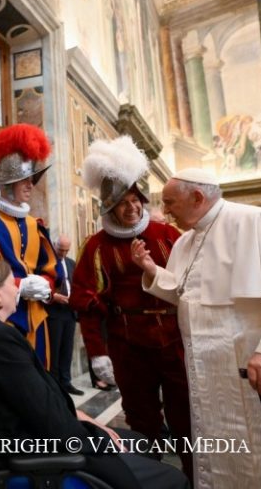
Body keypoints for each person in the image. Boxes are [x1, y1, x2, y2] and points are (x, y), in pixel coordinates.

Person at [131, 167, 261, 489]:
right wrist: (153, 270)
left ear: (197, 197)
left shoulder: (257, 223)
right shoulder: (185, 243)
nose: (165, 212)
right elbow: (190, 294)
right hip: (213, 381)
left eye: (169, 203)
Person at [0, 258, 190, 489]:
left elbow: (37, 399)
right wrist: (93, 437)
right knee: (174, 479)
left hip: (37, 435)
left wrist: (84, 419)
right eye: (12, 283)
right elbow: (43, 411)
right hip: (39, 448)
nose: (17, 289)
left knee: (140, 442)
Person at [70, 136, 192, 480]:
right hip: (128, 347)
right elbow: (87, 304)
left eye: (135, 200)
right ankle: (150, 478)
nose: (132, 208)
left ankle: (194, 477)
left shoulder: (168, 234)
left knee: (186, 416)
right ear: (109, 209)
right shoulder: (96, 246)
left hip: (175, 341)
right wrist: (98, 353)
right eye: (122, 203)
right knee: (141, 420)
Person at [0, 123, 62, 368]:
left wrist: (45, 287)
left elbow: (51, 272)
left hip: (37, 322)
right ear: (7, 184)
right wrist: (18, 285)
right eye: (23, 180)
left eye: (31, 179)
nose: (30, 185)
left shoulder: (35, 225)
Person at [45, 234, 84, 395]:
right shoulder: (48, 263)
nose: (63, 253)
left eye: (66, 250)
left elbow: (76, 284)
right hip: (54, 313)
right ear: (54, 246)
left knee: (67, 350)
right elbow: (43, 286)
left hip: (70, 312)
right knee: (55, 350)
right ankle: (55, 385)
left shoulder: (71, 263)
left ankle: (66, 382)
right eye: (61, 249)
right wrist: (54, 296)